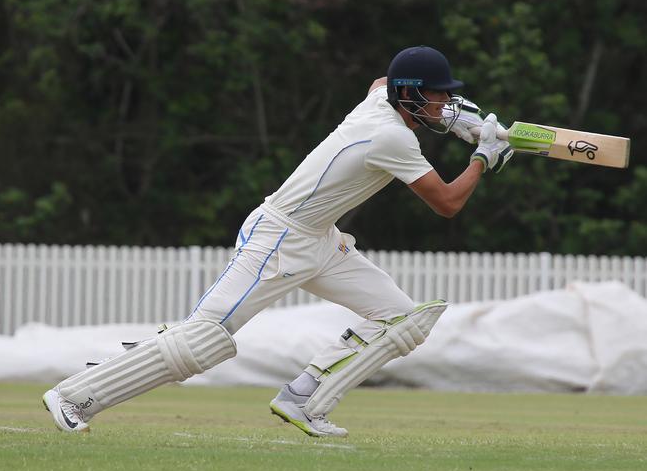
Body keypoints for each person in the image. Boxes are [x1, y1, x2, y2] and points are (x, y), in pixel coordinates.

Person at [42, 46, 513, 437]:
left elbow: (377, 82)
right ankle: (74, 396)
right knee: (204, 339)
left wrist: (455, 121)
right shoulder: (390, 138)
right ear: (408, 96)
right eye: (437, 97)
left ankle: (304, 399)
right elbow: (447, 203)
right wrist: (481, 156)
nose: (444, 104)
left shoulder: (379, 101)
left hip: (321, 240)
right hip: (279, 238)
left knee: (402, 318)